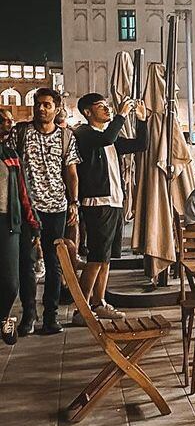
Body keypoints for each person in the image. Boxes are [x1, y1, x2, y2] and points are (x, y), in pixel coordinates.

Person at [74, 93, 148, 320]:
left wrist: (142, 120)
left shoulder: (109, 136)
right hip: (98, 203)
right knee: (96, 256)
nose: (107, 109)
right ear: (88, 112)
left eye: (108, 106)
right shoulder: (84, 133)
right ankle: (82, 309)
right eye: (101, 106)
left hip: (114, 201)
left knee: (105, 258)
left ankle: (99, 302)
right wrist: (121, 115)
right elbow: (106, 139)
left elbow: (140, 145)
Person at [14, 87, 80, 336]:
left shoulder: (66, 137)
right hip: (27, 207)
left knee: (55, 263)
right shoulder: (21, 133)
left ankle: (51, 315)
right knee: (27, 262)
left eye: (47, 105)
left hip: (57, 206)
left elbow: (71, 172)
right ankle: (29, 315)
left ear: (57, 108)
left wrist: (74, 203)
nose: (41, 108)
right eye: (38, 104)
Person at [0, 107, 38, 345]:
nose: (8, 125)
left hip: (7, 221)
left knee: (11, 282)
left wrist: (33, 223)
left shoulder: (11, 155)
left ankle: (4, 317)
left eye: (9, 121)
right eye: (4, 121)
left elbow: (23, 193)